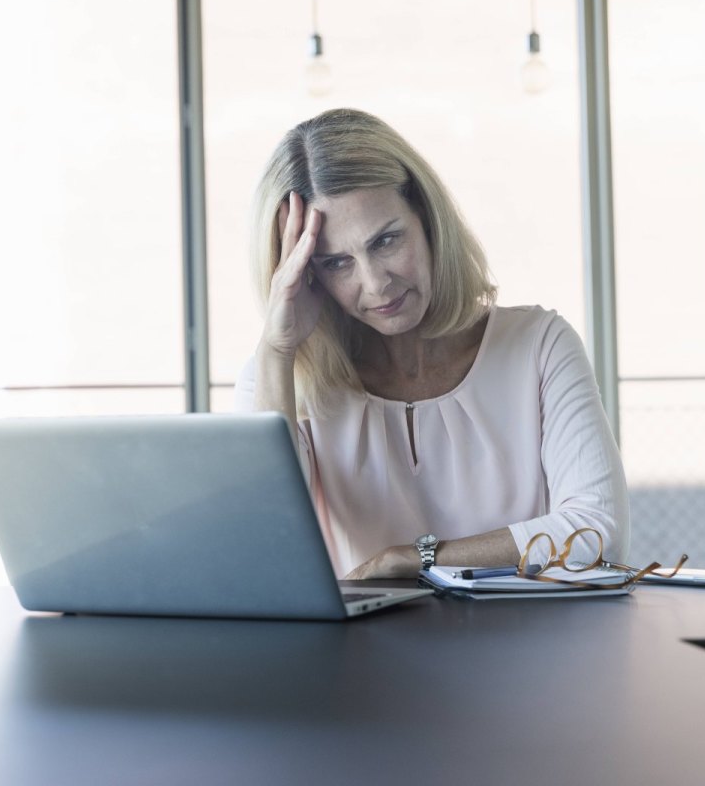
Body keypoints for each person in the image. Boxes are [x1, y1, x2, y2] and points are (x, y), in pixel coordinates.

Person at [235, 108, 628, 580]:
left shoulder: (539, 347)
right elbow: (263, 551)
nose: (376, 284)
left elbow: (596, 530)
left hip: (531, 648)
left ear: (427, 219)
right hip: (361, 655)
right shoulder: (275, 379)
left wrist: (414, 558)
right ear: (302, 272)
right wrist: (278, 349)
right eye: (337, 263)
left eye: (386, 241)